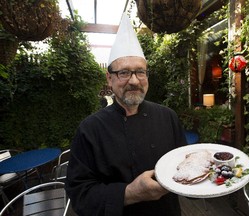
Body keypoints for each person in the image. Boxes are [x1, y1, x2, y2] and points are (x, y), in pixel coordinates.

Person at [65, 13, 187, 216]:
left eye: (140, 72)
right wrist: (129, 193)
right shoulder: (90, 129)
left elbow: (184, 165)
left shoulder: (168, 117)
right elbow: (79, 195)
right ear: (109, 78)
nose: (134, 81)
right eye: (124, 73)